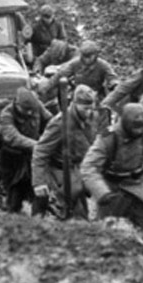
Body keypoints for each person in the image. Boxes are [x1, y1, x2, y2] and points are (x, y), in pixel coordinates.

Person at [81, 103, 143, 234]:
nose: (138, 131)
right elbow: (88, 167)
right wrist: (102, 193)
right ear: (125, 122)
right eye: (135, 127)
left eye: (141, 127)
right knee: (106, 233)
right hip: (114, 191)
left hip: (138, 187)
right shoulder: (108, 138)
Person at [32, 84, 98, 219]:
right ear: (75, 104)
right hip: (59, 169)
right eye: (85, 108)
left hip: (78, 167)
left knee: (81, 210)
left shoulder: (91, 117)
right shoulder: (60, 123)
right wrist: (39, 183)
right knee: (69, 208)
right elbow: (40, 151)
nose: (89, 112)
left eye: (91, 108)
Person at [0, 87, 52, 214]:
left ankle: (39, 220)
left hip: (32, 157)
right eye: (25, 110)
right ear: (16, 104)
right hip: (12, 160)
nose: (29, 113)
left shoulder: (36, 105)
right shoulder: (6, 114)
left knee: (39, 190)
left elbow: (50, 121)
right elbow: (12, 137)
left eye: (31, 110)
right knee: (15, 196)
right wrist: (39, 145)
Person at [44, 40, 118, 102]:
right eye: (84, 56)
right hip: (78, 96)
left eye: (89, 56)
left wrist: (114, 85)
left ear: (95, 54)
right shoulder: (75, 63)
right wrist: (45, 88)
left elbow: (112, 78)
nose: (87, 59)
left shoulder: (103, 65)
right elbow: (60, 75)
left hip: (96, 96)